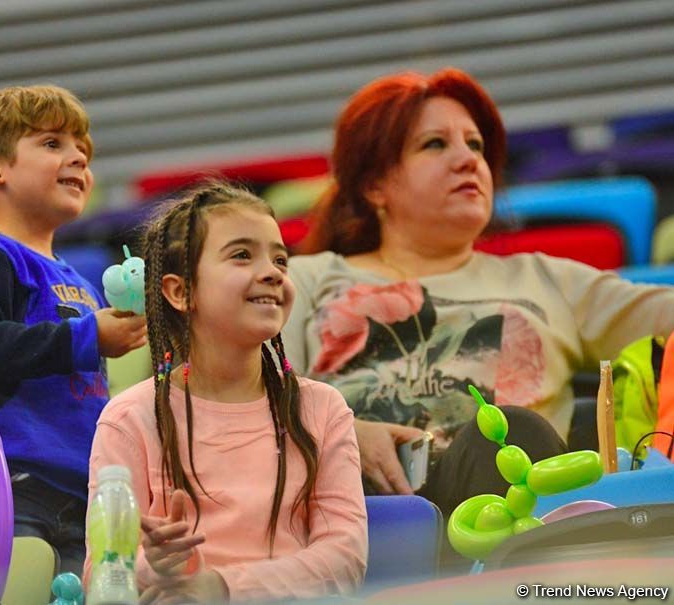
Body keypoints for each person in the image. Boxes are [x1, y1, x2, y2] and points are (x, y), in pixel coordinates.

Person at [283, 68, 674, 515]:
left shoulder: (548, 281)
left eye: (476, 145)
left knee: (506, 433)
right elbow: (255, 389)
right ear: (375, 185)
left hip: (511, 507)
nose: (468, 159)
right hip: (360, 509)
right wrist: (343, 431)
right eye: (435, 144)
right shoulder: (307, 278)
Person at [84, 183, 367, 604]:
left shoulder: (321, 408)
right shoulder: (130, 417)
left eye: (280, 258)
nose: (273, 271)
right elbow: (101, 571)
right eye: (241, 254)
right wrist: (153, 567)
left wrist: (221, 587)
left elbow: (344, 558)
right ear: (181, 292)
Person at [0, 84, 147, 575]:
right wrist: (88, 338)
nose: (78, 160)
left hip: (73, 489)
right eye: (53, 144)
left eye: (82, 152)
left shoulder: (79, 280)